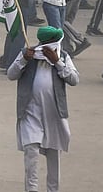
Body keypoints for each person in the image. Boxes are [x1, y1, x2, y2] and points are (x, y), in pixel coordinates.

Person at [7, 26, 80, 192]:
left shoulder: (62, 56)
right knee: (30, 153)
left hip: (54, 115)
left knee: (54, 155)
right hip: (30, 113)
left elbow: (74, 79)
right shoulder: (28, 54)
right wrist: (24, 60)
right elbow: (11, 74)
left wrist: (57, 62)